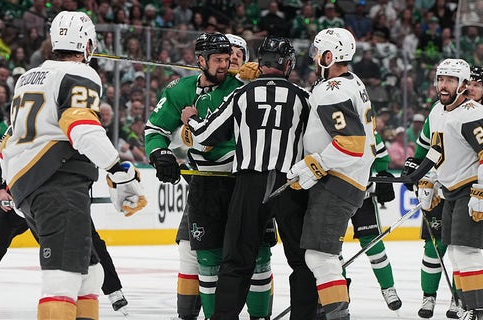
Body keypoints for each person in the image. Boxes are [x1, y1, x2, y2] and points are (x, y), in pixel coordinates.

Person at [0, 11, 146, 320]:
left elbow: (9, 137)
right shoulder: (80, 73)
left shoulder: (28, 76)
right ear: (88, 43)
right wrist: (117, 169)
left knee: (89, 271)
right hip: (56, 183)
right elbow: (80, 126)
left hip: (31, 187)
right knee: (63, 276)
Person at [181, 35, 317, 320]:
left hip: (249, 184)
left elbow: (205, 134)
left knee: (236, 261)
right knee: (302, 262)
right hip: (289, 184)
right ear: (288, 64)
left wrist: (191, 117)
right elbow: (317, 142)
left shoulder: (242, 94)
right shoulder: (303, 97)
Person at [145, 32, 272, 320]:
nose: (224, 65)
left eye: (228, 60)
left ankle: (260, 317)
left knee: (259, 256)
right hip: (205, 185)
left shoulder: (242, 87)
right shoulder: (179, 90)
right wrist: (159, 154)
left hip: (246, 181)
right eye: (217, 60)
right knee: (207, 260)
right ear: (200, 61)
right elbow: (155, 131)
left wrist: (261, 78)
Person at [0, 139, 131, 315]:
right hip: (22, 196)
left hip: (57, 196)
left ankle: (114, 291)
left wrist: (84, 193)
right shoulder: (21, 123)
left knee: (89, 240)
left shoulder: (69, 128)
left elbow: (91, 155)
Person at [284, 27, 376, 320]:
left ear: (328, 56)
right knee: (327, 256)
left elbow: (351, 143)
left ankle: (337, 315)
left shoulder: (331, 90)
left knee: (319, 256)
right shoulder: (352, 82)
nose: (313, 58)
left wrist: (316, 163)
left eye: (317, 53)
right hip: (349, 180)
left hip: (339, 181)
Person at [406, 63, 483, 319]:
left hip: (471, 190)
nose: (444, 85)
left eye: (451, 80)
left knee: (466, 252)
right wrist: (426, 178)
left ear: (463, 85)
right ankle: (465, 307)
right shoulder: (440, 112)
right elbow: (436, 150)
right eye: (441, 79)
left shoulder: (472, 113)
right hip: (451, 191)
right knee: (453, 252)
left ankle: (477, 312)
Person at [351, 132, 402, 311]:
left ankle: (388, 288)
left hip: (362, 197)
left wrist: (382, 175)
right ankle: (339, 294)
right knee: (331, 250)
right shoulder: (328, 123)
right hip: (333, 198)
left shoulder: (368, 130)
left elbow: (381, 158)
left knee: (373, 244)